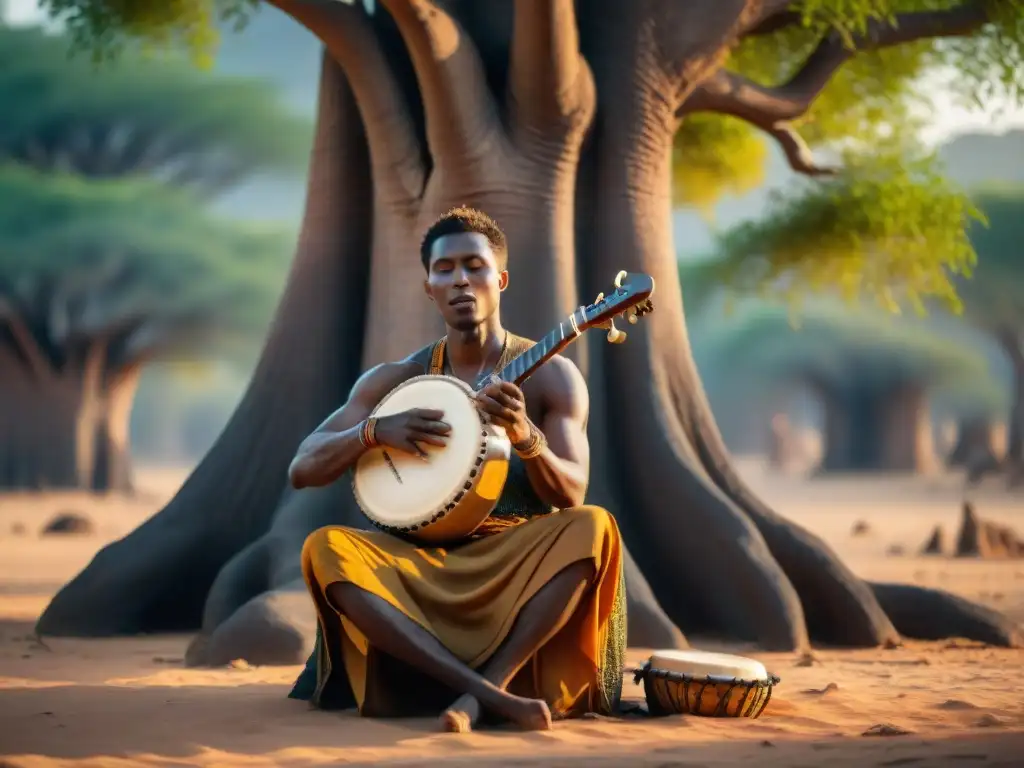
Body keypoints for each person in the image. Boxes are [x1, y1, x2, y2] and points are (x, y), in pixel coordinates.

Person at [285, 206, 626, 733]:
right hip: (420, 565)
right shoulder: (395, 379)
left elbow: (572, 496)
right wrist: (372, 433)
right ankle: (487, 695)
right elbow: (303, 467)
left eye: (475, 265)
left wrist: (526, 437)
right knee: (326, 548)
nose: (460, 279)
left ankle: (485, 689)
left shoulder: (551, 376)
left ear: (500, 279)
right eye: (445, 269)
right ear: (429, 287)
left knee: (594, 528)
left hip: (512, 564)